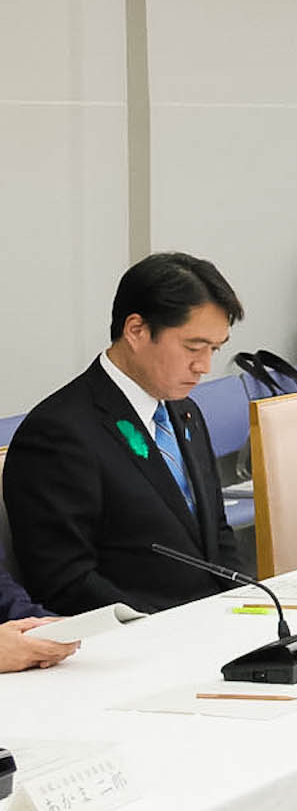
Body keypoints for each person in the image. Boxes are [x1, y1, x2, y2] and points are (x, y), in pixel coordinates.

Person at [3, 253, 248, 614]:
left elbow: (216, 533)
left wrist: (248, 603)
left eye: (215, 349)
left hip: (209, 623)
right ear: (136, 331)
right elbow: (65, 581)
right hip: (138, 638)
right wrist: (159, 629)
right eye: (193, 348)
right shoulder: (59, 433)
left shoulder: (184, 410)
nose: (204, 367)